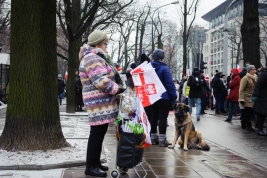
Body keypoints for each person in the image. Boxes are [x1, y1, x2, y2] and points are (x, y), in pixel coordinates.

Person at [79, 30, 124, 177]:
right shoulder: (92, 58)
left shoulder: (94, 56)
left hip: (99, 102)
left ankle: (95, 163)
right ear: (98, 43)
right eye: (106, 43)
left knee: (99, 133)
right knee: (97, 134)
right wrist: (118, 89)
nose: (107, 46)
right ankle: (90, 166)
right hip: (98, 103)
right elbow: (101, 81)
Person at [150, 49, 177, 147]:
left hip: (152, 96)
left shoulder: (149, 68)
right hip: (164, 97)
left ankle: (153, 138)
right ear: (162, 58)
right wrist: (174, 97)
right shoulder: (164, 69)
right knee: (162, 118)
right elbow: (169, 84)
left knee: (153, 117)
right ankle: (162, 140)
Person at [239, 65, 257, 131]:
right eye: (252, 69)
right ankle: (249, 125)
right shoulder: (245, 78)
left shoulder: (255, 77)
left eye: (254, 69)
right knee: (248, 112)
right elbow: (241, 89)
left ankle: (243, 121)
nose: (254, 70)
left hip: (252, 97)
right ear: (249, 70)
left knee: (251, 111)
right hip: (246, 97)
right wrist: (241, 99)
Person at [252, 67, 267, 136]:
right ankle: (260, 130)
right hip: (262, 97)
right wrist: (255, 95)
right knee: (262, 114)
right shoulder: (264, 74)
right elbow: (258, 85)